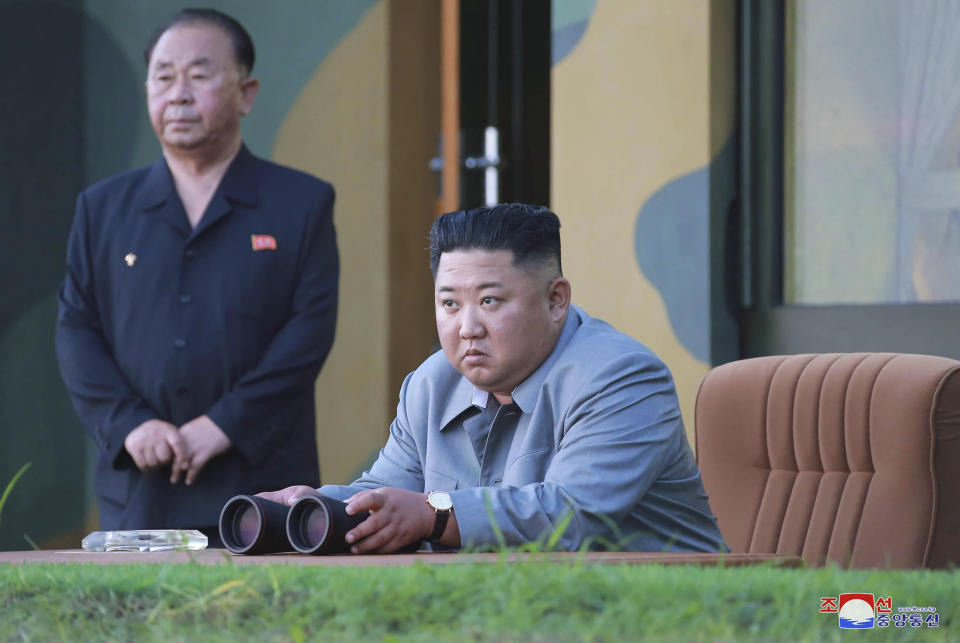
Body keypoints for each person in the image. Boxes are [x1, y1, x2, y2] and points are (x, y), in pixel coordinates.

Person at [260, 204, 725, 554]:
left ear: (556, 300)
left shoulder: (622, 377)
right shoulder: (430, 383)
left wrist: (433, 514)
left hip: (665, 614)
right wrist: (316, 504)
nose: (466, 327)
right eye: (449, 304)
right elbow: (386, 492)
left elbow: (574, 515)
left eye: (490, 301)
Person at [55, 8, 338, 542]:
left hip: (263, 480)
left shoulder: (301, 203)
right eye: (163, 77)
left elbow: (309, 332)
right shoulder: (102, 208)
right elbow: (76, 330)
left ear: (246, 93)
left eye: (200, 75)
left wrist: (225, 424)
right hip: (142, 481)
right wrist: (129, 424)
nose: (178, 93)